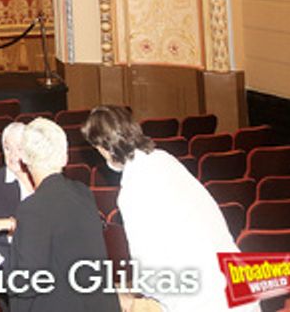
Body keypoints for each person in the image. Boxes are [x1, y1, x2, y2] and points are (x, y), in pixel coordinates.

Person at [82, 105, 257, 312]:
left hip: (200, 300)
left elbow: (149, 266)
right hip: (236, 286)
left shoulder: (133, 190)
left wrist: (133, 298)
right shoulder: (165, 160)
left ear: (102, 148)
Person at [0, 118, 119, 312]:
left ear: (25, 159)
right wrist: (12, 224)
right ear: (65, 157)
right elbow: (58, 231)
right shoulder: (83, 193)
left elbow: (24, 283)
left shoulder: (32, 209)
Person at [0, 122, 33, 274]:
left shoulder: (41, 177)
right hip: (12, 260)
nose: (13, 156)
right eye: (8, 149)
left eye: (20, 149)